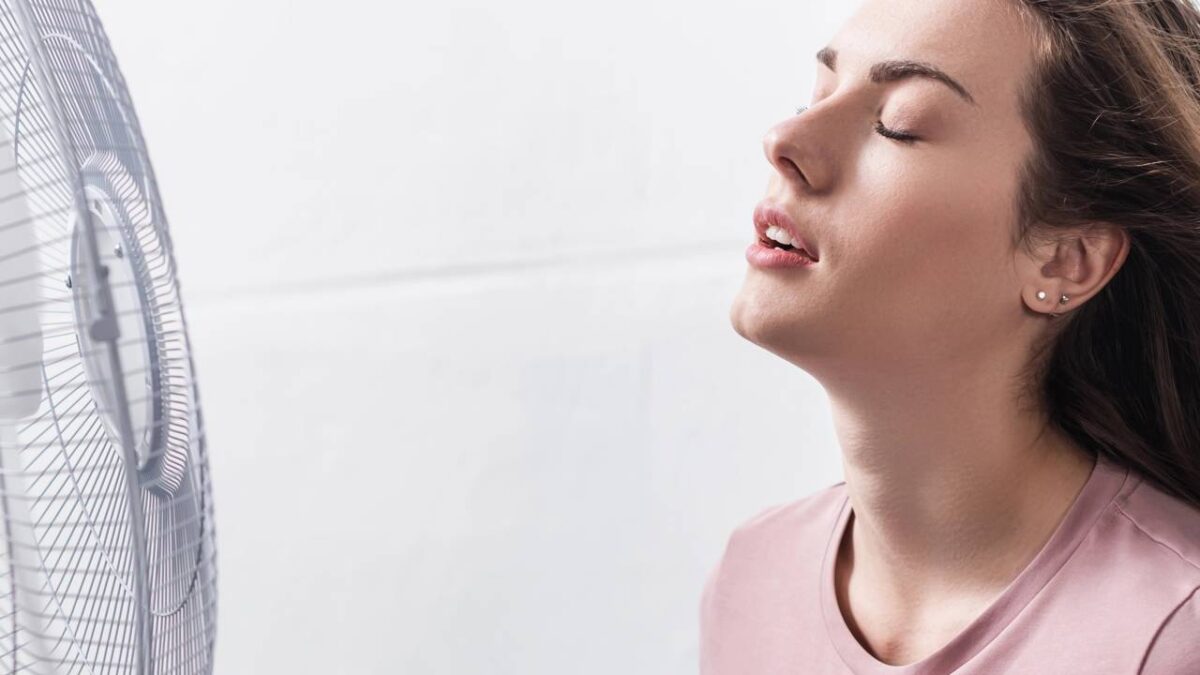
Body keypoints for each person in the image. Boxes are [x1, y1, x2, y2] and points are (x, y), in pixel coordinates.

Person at [703, 0, 1200, 672]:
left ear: (1066, 259)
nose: (784, 140)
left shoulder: (1174, 630)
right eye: (814, 95)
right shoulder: (754, 578)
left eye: (896, 125)